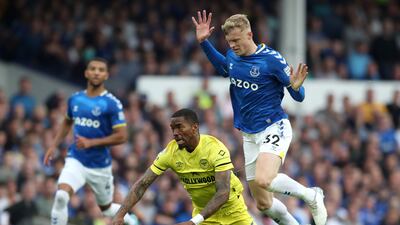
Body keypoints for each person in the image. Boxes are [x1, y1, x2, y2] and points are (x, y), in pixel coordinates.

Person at [192, 10, 327, 225]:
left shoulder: (271, 60)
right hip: (249, 134)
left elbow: (298, 95)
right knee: (264, 204)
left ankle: (311, 195)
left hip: (274, 127)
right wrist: (204, 43)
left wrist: (296, 88)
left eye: (236, 40)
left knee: (265, 179)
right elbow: (224, 68)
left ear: (249, 35)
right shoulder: (232, 56)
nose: (233, 45)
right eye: (229, 42)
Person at [112, 108, 256, 225]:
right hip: (204, 218)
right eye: (172, 128)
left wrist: (194, 222)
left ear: (194, 128)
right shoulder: (170, 152)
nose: (175, 133)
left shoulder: (215, 149)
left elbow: (223, 193)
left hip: (234, 214)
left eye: (180, 127)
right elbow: (142, 184)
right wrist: (120, 215)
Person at [43, 58, 138, 225]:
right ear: (86, 73)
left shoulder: (112, 104)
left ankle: (131, 221)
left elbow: (122, 136)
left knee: (107, 209)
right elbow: (67, 121)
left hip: (100, 166)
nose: (96, 72)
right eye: (93, 69)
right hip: (76, 159)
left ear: (106, 75)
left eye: (101, 70)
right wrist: (53, 146)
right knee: (61, 196)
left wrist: (91, 143)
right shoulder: (75, 99)